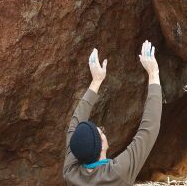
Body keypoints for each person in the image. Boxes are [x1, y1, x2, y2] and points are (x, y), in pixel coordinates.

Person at [63, 41, 162, 185]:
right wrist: (154, 73)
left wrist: (96, 81)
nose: (103, 130)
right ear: (101, 146)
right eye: (101, 132)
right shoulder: (116, 173)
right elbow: (148, 130)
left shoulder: (71, 173)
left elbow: (74, 125)